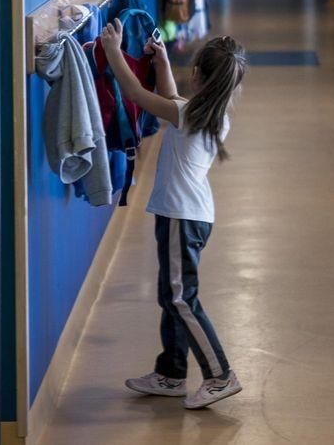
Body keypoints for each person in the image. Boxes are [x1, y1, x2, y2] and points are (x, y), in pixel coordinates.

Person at [98, 22, 248, 410]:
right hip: (186, 215)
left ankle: (220, 375)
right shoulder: (209, 113)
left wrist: (113, 49)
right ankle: (171, 373)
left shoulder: (189, 115)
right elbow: (170, 99)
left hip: (183, 218)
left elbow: (136, 93)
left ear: (198, 75)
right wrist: (162, 61)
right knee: (171, 295)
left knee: (182, 299)